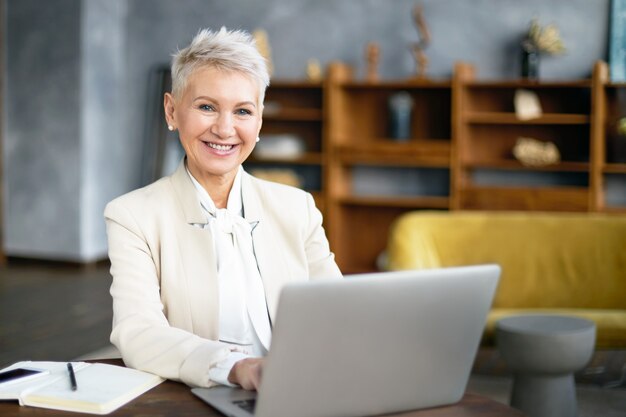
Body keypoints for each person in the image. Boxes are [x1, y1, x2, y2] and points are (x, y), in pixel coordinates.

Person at [104, 27, 342, 391]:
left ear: (259, 120)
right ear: (172, 110)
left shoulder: (298, 207)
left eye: (243, 111)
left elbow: (339, 313)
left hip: (300, 392)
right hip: (195, 396)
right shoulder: (132, 215)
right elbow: (138, 332)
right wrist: (236, 368)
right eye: (206, 107)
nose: (225, 128)